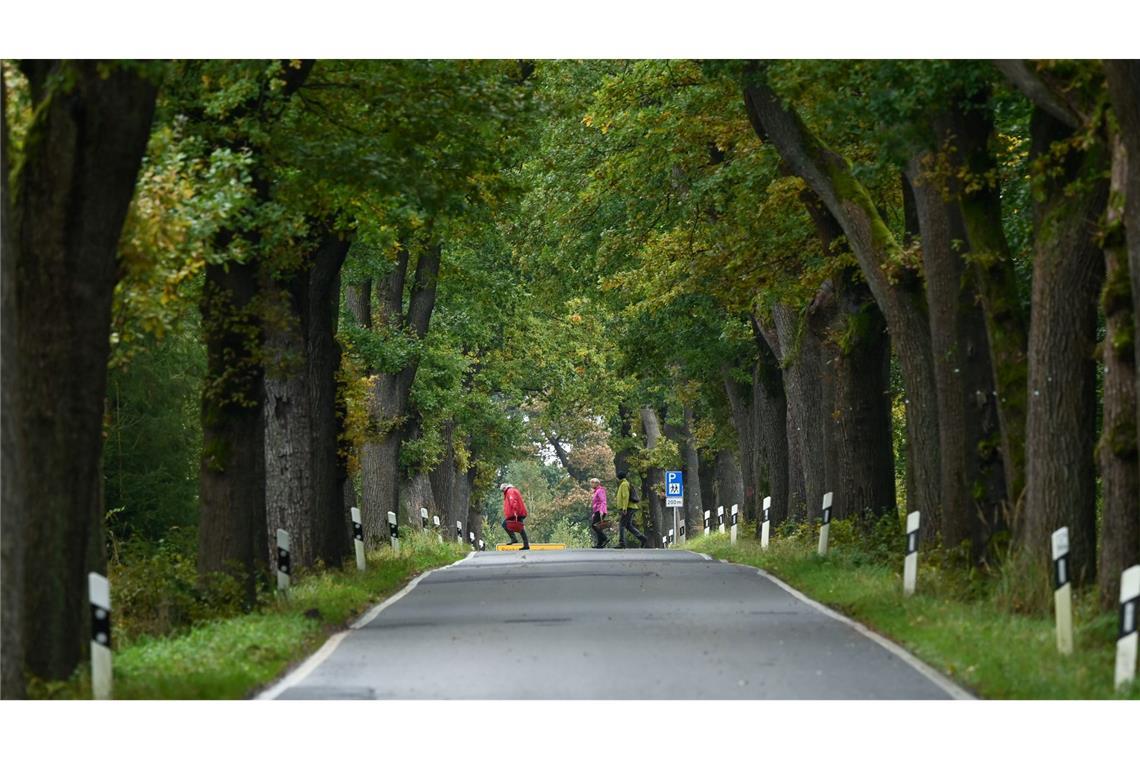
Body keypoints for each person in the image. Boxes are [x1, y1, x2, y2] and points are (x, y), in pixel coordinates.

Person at [615, 471, 647, 548]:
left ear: (619, 477)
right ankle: (642, 538)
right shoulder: (625, 483)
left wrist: (624, 508)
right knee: (628, 526)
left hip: (628, 507)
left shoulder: (624, 484)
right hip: (630, 507)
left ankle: (621, 543)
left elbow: (625, 497)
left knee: (622, 525)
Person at [501, 482, 530, 550]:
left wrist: (515, 512)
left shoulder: (510, 491)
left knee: (505, 524)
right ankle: (526, 545)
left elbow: (513, 501)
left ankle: (514, 539)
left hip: (516, 513)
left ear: (505, 488)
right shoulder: (513, 490)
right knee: (520, 528)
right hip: (518, 512)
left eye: (502, 490)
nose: (503, 492)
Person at [589, 477, 609, 548]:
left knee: (594, 525)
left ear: (596, 483)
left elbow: (603, 501)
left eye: (592, 483)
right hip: (597, 511)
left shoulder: (600, 490)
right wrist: (594, 513)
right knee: (598, 527)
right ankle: (599, 544)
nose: (591, 485)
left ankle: (605, 538)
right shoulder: (596, 491)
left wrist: (601, 511)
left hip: (600, 510)